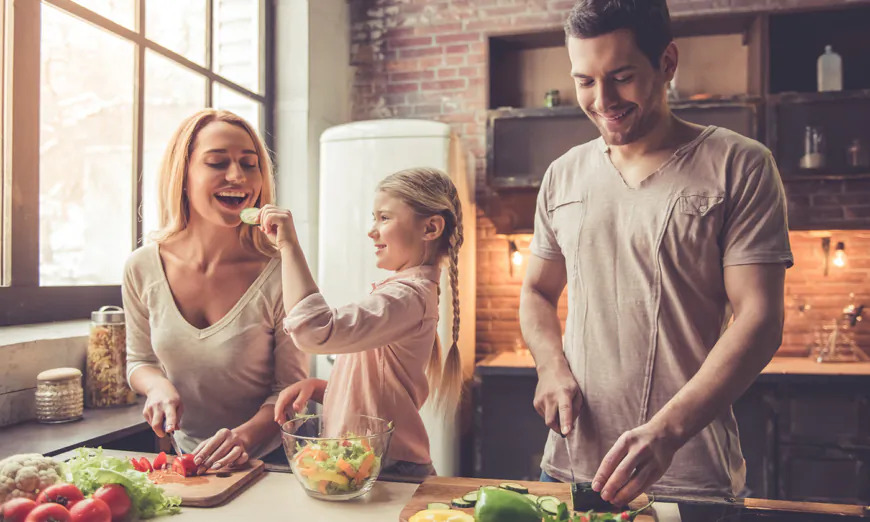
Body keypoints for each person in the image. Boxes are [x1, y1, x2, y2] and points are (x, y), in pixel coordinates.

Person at [519, 0, 793, 504]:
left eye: (621, 77)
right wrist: (549, 366)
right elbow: (537, 290)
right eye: (585, 81)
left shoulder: (740, 165)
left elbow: (760, 320)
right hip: (570, 468)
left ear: (667, 63)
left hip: (689, 475)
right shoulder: (563, 175)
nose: (603, 100)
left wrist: (667, 432)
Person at [124, 109, 309, 473]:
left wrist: (243, 438)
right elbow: (139, 361)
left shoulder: (279, 271)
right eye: (217, 162)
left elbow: (291, 390)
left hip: (273, 463)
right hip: (188, 460)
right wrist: (157, 386)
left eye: (250, 164)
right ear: (183, 175)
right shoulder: (141, 267)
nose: (238, 176)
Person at [267, 167, 464, 478]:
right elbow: (377, 391)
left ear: (431, 228)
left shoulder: (407, 296)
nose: (372, 231)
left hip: (390, 470)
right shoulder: (403, 295)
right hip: (374, 465)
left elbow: (313, 331)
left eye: (384, 218)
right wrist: (321, 389)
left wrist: (288, 245)